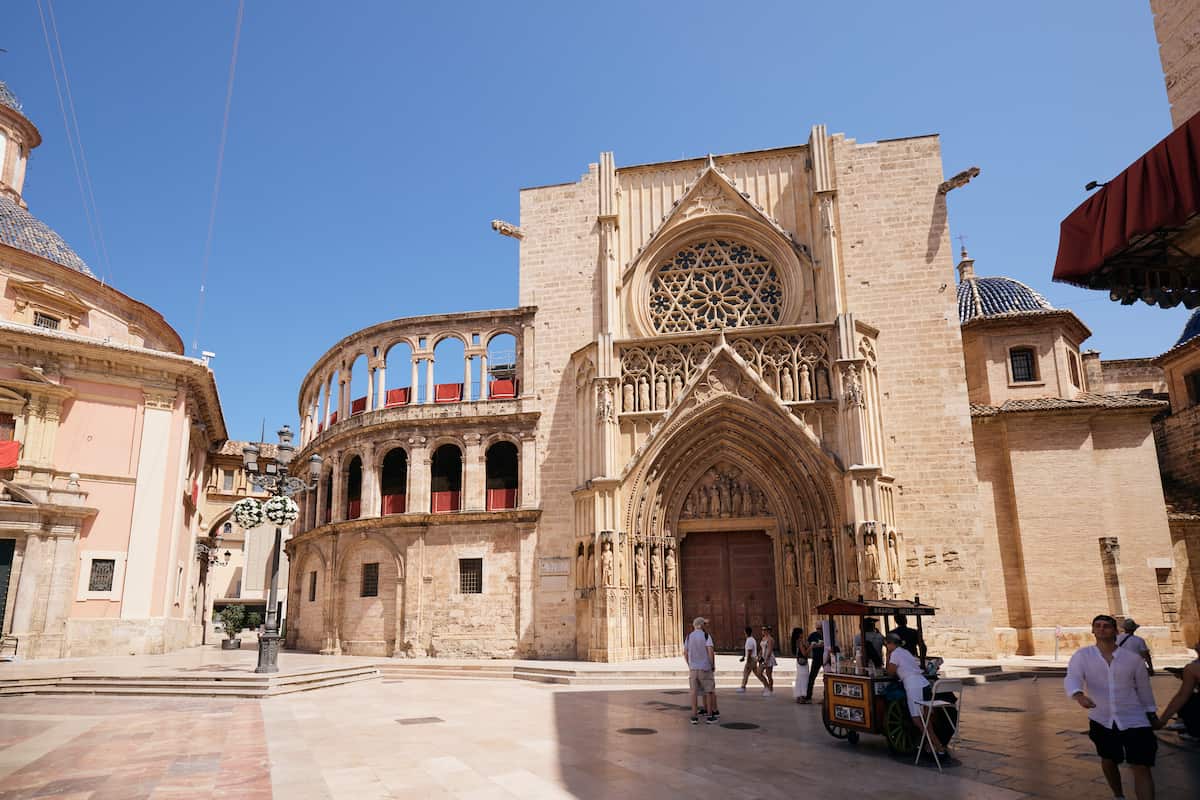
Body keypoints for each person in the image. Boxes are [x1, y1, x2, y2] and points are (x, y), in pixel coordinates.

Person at [1065, 614, 1159, 800]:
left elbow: (1144, 689)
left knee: (1141, 765)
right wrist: (1078, 695)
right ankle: (1119, 795)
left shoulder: (1132, 659)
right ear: (1092, 630)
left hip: (1134, 718)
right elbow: (1072, 677)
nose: (1101, 629)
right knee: (1108, 760)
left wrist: (1151, 713)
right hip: (1102, 718)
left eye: (1106, 626)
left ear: (1115, 630)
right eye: (1097, 626)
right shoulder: (1083, 656)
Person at [884, 632, 947, 758]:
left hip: (913, 685)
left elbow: (890, 672)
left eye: (887, 645)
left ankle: (938, 746)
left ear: (890, 644)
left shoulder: (895, 654)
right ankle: (930, 745)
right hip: (923, 683)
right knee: (926, 718)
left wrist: (887, 656)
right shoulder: (905, 652)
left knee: (917, 719)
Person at [1154, 633, 1199, 739]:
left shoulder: (1193, 668)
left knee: (1189, 700)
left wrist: (1162, 721)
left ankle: (1192, 729)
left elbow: (1182, 696)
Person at [683, 616, 719, 725]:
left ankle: (694, 717)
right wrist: (712, 665)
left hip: (693, 669)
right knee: (708, 691)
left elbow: (685, 653)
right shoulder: (706, 635)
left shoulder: (689, 637)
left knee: (693, 693)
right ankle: (709, 716)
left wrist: (690, 664)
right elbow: (710, 652)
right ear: (701, 625)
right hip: (705, 668)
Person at [736, 625, 768, 693]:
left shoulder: (749, 641)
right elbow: (747, 651)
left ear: (746, 632)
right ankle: (766, 685)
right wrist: (744, 656)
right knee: (757, 674)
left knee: (746, 673)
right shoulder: (751, 639)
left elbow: (750, 651)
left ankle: (743, 687)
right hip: (753, 659)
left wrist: (747, 661)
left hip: (751, 659)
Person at [803, 623, 824, 702]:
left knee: (826, 678)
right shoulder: (812, 635)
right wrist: (813, 646)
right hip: (816, 658)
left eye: (820, 628)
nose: (819, 630)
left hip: (825, 658)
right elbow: (807, 645)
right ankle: (808, 696)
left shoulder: (827, 634)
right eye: (818, 628)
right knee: (812, 677)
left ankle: (826, 697)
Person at [791, 626, 812, 704]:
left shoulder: (795, 642)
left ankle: (798, 696)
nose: (803, 634)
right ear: (799, 634)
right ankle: (803, 697)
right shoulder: (800, 642)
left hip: (798, 662)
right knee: (804, 679)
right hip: (803, 662)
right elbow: (804, 653)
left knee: (799, 679)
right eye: (802, 633)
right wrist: (811, 647)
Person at [759, 626, 777, 696]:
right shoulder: (763, 638)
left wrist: (766, 659)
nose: (762, 631)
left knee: (769, 674)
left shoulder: (770, 639)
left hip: (768, 658)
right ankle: (766, 686)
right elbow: (762, 648)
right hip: (763, 657)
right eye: (762, 629)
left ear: (768, 631)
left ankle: (770, 689)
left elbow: (769, 650)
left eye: (764, 630)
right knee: (759, 672)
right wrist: (759, 655)